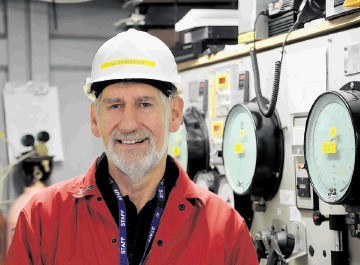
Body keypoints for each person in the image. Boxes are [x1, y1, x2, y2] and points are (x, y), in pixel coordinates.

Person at [4, 29, 258, 265]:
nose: (127, 124)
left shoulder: (224, 229)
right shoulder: (42, 219)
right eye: (114, 105)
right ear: (95, 119)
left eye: (144, 104)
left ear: (174, 114)